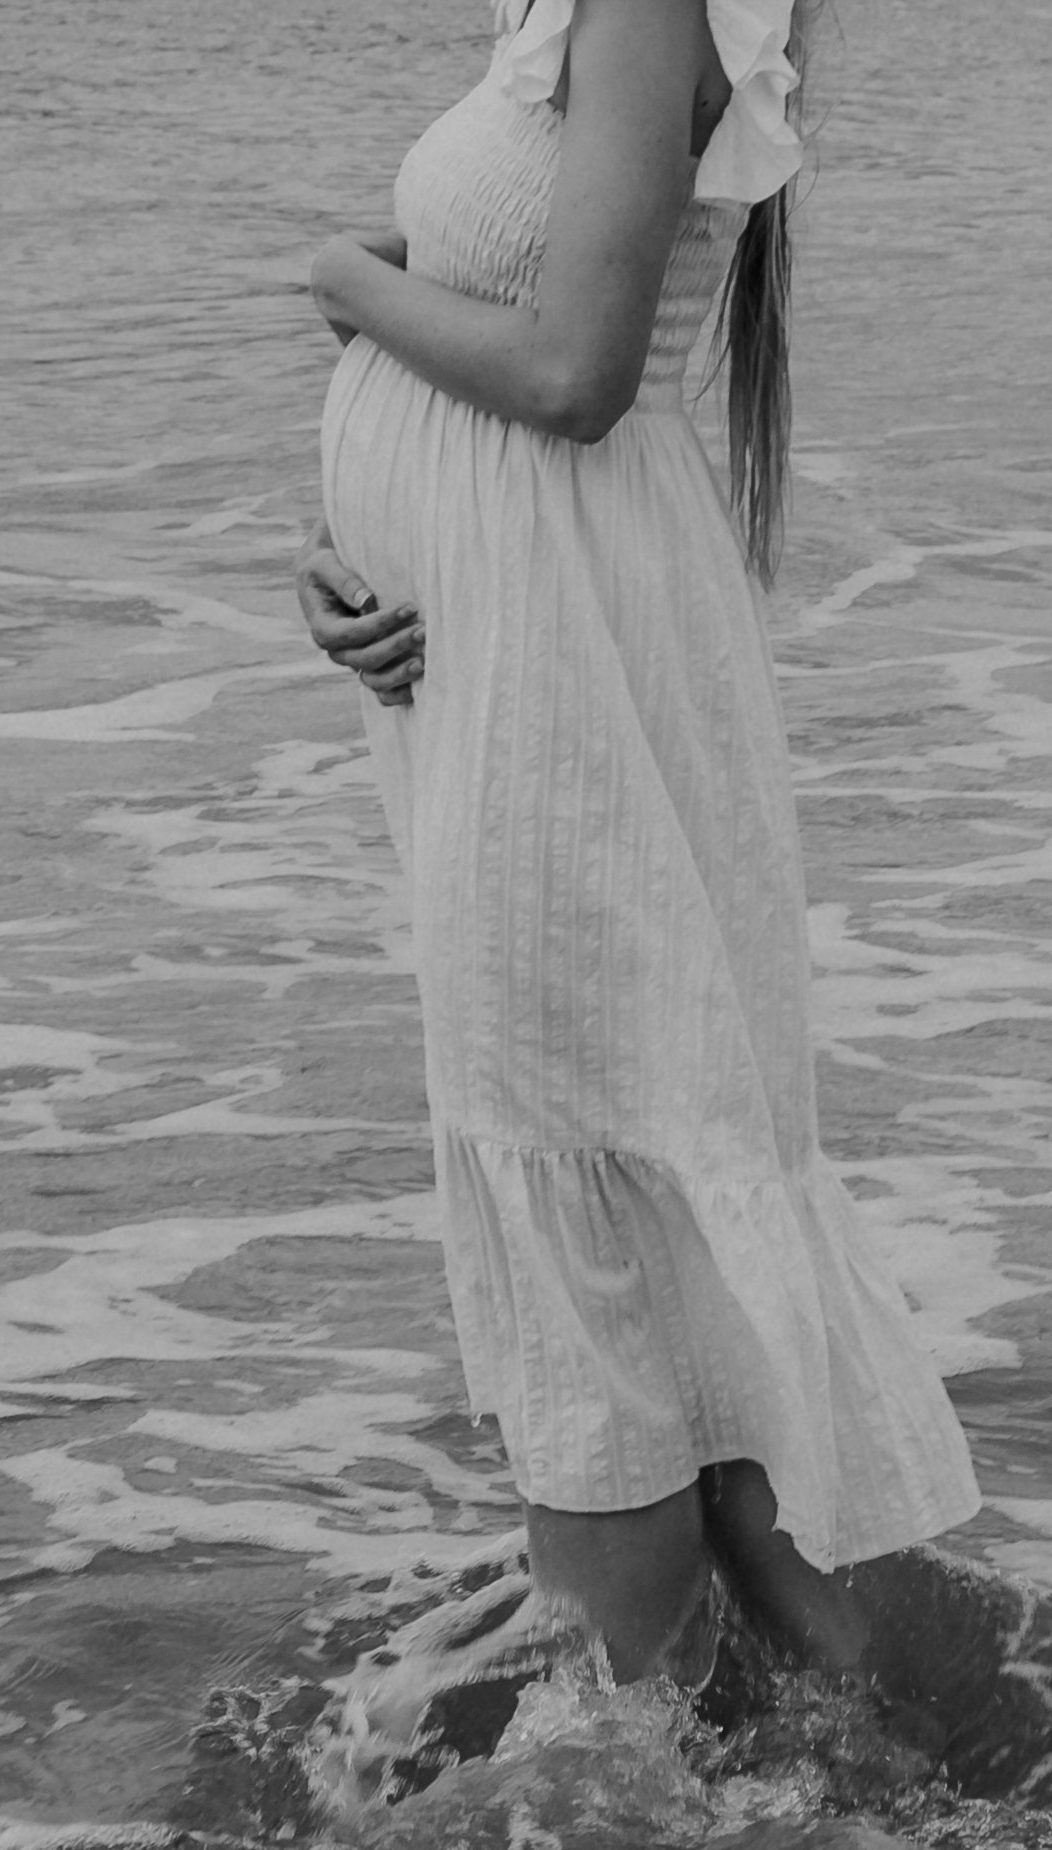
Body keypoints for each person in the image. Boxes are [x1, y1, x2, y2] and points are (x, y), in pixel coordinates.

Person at [295, 0, 980, 1684]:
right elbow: (514, 299)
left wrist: (341, 278)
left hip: (562, 670)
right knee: (631, 1179)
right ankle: (848, 1758)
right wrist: (348, 541)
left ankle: (619, 1778)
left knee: (582, 1160)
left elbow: (573, 373)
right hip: (524, 639)